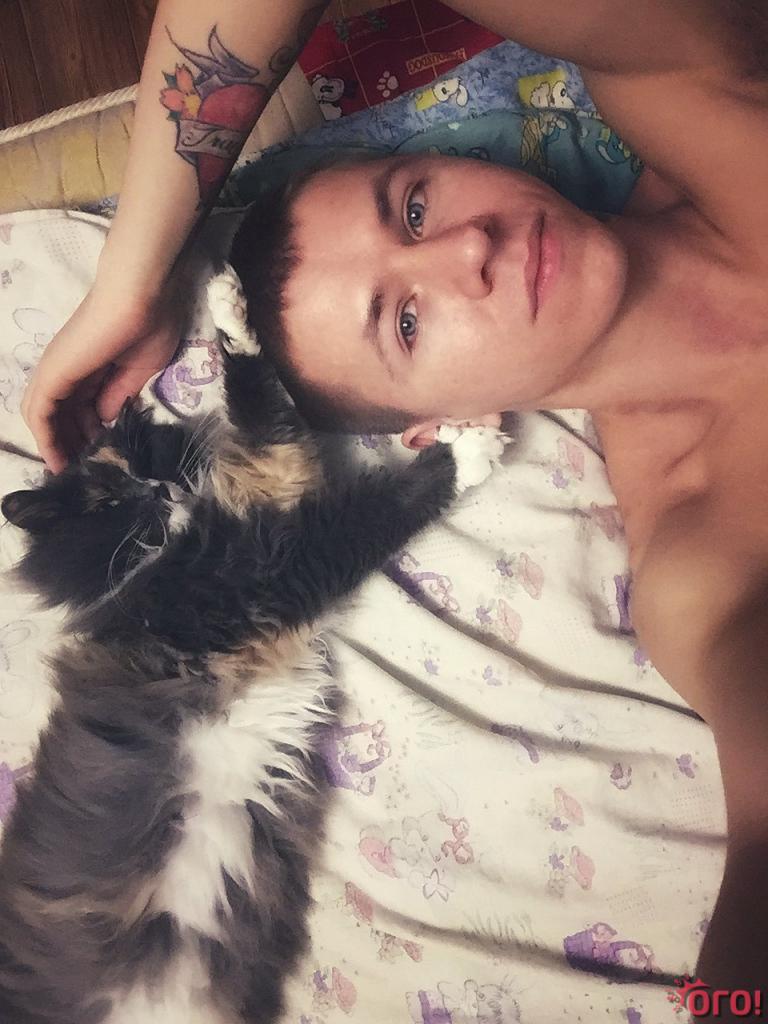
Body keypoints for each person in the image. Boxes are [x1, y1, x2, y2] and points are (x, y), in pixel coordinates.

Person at [21, 0, 768, 1003]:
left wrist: (131, 274)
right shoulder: (704, 568)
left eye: (414, 208)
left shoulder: (685, 91)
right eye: (406, 323)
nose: (467, 251)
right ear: (439, 427)